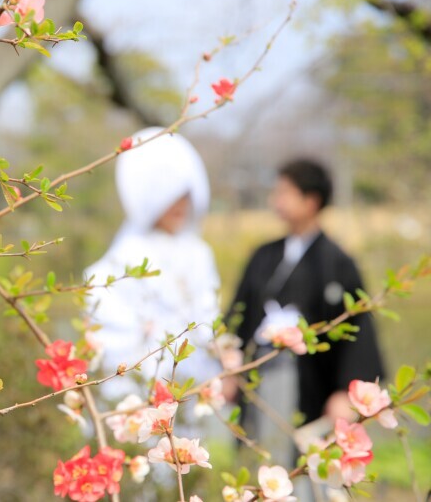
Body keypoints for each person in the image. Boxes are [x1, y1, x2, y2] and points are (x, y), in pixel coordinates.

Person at [228, 159, 384, 477]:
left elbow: (356, 327)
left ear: (311, 200)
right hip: (260, 375)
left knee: (301, 465)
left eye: (285, 193)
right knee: (258, 458)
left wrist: (345, 392)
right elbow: (237, 315)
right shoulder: (263, 255)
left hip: (310, 382)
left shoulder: (338, 263)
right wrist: (230, 362)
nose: (276, 201)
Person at [85, 128, 221, 401]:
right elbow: (113, 335)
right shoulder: (122, 258)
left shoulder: (199, 253)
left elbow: (208, 316)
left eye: (186, 195)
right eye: (171, 196)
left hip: (191, 388)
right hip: (141, 392)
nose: (180, 205)